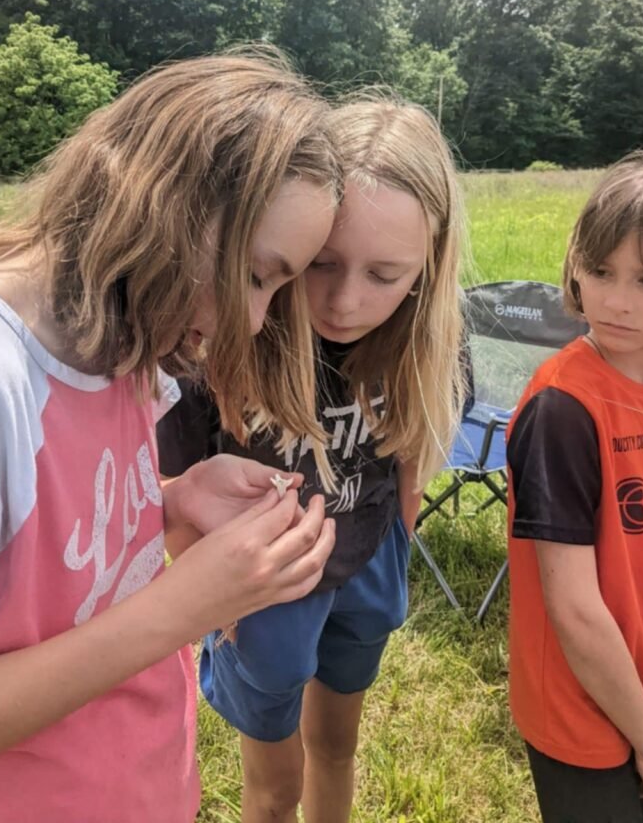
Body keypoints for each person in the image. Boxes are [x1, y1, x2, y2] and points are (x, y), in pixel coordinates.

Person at [0, 50, 342, 823]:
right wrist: (184, 606)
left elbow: (46, 574)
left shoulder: (123, 341)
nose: (257, 319)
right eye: (255, 274)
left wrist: (173, 501)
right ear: (169, 206)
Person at [158, 99, 465, 823]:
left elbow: (415, 450)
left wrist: (401, 537)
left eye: (386, 275)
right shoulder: (226, 337)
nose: (346, 301)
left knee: (336, 746)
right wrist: (213, 596)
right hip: (260, 591)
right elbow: (167, 486)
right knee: (274, 788)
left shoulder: (428, 342)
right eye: (322, 264)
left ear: (429, 266)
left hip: (367, 564)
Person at [507, 151, 643, 823]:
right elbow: (574, 609)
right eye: (600, 271)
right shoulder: (562, 409)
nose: (616, 300)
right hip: (588, 714)